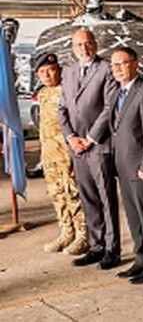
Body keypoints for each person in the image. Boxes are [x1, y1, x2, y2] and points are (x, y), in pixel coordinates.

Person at [58, 29, 121, 269]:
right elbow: (62, 109)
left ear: (95, 44)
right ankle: (96, 246)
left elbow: (109, 107)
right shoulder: (69, 72)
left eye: (88, 43)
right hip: (77, 147)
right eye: (78, 45)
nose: (84, 49)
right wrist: (71, 137)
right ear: (72, 47)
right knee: (88, 198)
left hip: (98, 145)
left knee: (106, 197)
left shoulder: (106, 69)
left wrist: (90, 138)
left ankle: (112, 249)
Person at [108, 47, 143, 284]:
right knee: (133, 216)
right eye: (114, 65)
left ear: (135, 63)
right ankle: (140, 259)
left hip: (141, 166)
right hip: (123, 164)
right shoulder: (116, 93)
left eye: (122, 64)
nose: (118, 69)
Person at [35, 53, 88, 255]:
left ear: (58, 70)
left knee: (74, 195)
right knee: (57, 196)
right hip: (50, 157)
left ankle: (83, 235)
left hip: (67, 155)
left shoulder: (68, 91)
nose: (47, 75)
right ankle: (67, 232)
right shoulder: (42, 94)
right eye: (42, 72)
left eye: (51, 70)